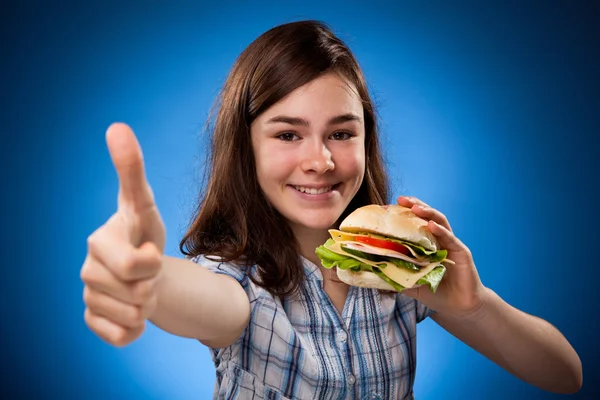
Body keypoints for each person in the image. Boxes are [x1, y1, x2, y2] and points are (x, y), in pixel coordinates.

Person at [80, 20, 582, 399]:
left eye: (341, 134)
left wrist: (474, 307)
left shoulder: (402, 268)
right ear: (246, 147)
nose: (319, 161)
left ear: (367, 141)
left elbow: (564, 375)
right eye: (288, 134)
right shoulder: (234, 279)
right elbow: (208, 302)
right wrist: (148, 281)